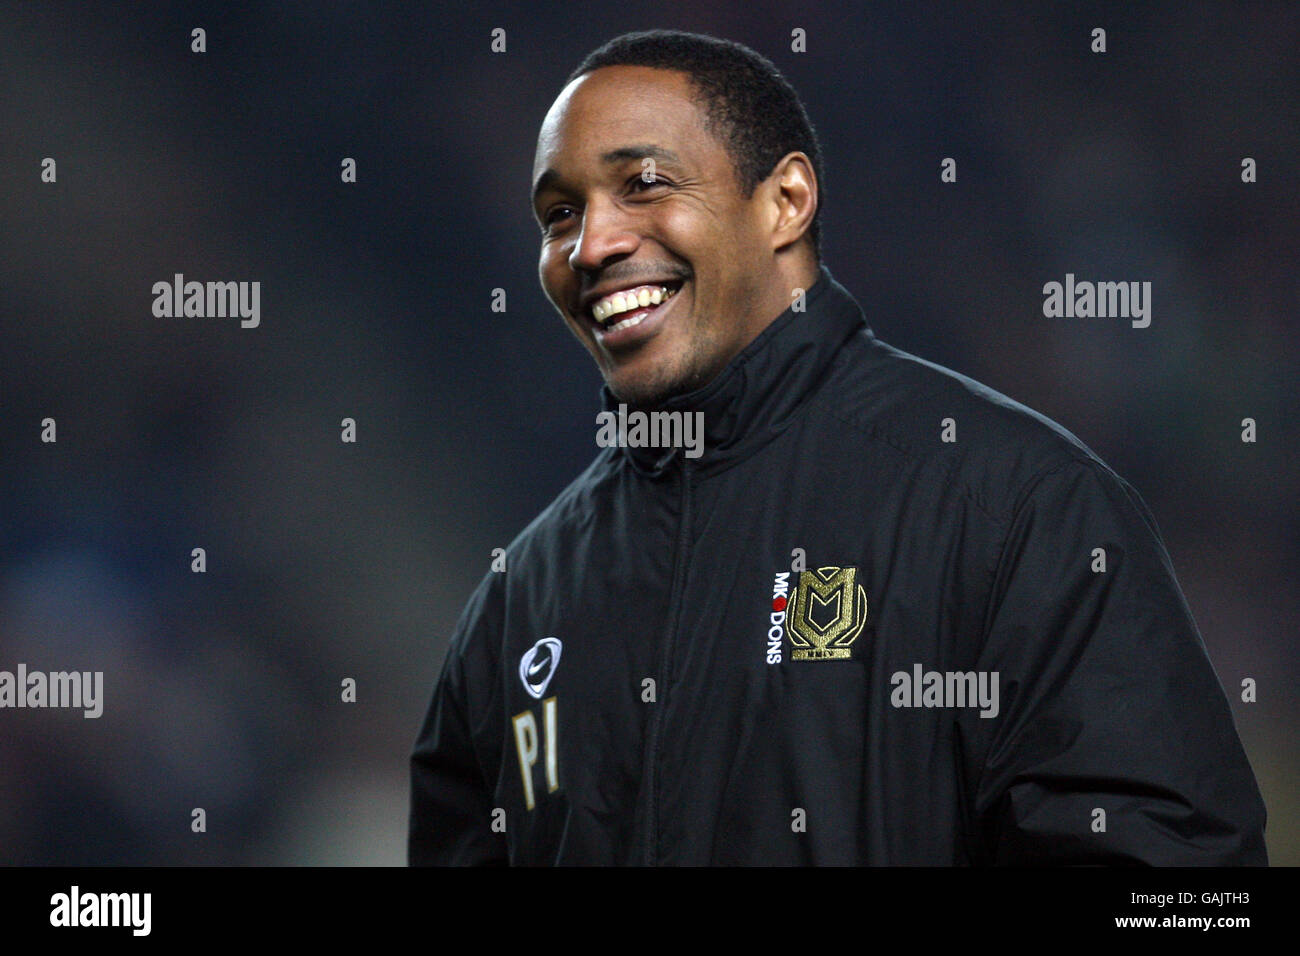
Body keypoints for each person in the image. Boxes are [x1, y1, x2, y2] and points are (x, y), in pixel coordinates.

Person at [409, 29, 1267, 865]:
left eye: (643, 183)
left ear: (785, 203)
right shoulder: (516, 606)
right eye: (560, 214)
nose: (590, 246)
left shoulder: (1017, 509)